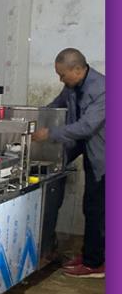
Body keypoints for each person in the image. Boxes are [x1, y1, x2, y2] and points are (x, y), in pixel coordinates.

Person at [32, 48, 105, 279]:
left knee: (98, 210)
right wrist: (32, 119)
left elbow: (86, 127)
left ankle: (95, 264)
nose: (60, 79)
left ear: (77, 69)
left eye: (62, 75)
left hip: (105, 158)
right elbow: (56, 105)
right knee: (90, 206)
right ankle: (90, 254)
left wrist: (50, 133)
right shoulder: (73, 86)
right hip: (91, 152)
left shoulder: (103, 89)